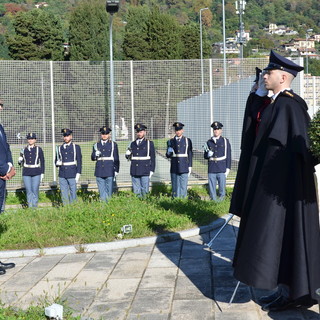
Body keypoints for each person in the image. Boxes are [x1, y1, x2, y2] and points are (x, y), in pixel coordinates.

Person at [230, 50, 320, 312]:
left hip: (283, 188)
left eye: (268, 73)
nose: (263, 77)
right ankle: (286, 291)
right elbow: (253, 134)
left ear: (282, 76)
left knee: (286, 236)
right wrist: (257, 95)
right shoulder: (275, 104)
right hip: (273, 185)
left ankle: (293, 293)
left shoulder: (290, 105)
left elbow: (299, 152)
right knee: (278, 238)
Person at [0, 100, 16, 274]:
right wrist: (4, 170)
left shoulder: (0, 127)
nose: (1, 108)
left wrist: (10, 166)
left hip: (2, 176)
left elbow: (6, 149)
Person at [125, 124, 155, 197]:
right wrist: (127, 154)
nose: (139, 133)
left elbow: (153, 158)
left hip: (145, 170)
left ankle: (145, 205)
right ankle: (138, 205)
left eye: (141, 132)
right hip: (135, 170)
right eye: (138, 132)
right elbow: (129, 157)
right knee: (136, 191)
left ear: (145, 132)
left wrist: (152, 170)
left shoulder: (149, 143)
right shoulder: (132, 143)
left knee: (145, 190)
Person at [204, 121, 231, 201]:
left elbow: (228, 156)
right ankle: (214, 202)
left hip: (221, 168)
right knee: (212, 188)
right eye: (214, 129)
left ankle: (221, 203)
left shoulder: (225, 141)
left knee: (222, 188)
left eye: (218, 129)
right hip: (212, 168)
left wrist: (228, 168)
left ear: (221, 130)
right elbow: (205, 156)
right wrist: (207, 155)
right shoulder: (209, 142)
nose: (216, 131)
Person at [91, 127, 119, 202]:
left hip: (109, 170)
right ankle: (103, 206)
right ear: (101, 134)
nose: (104, 135)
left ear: (109, 135)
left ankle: (108, 206)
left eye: (106, 134)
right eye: (103, 134)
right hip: (99, 170)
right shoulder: (96, 145)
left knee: (109, 191)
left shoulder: (113, 144)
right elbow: (92, 158)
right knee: (101, 191)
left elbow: (116, 158)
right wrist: (95, 155)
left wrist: (116, 170)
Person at [166, 122, 193, 198]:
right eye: (176, 130)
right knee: (175, 187)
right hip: (174, 167)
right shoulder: (170, 141)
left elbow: (190, 154)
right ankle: (176, 201)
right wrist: (169, 152)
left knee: (183, 186)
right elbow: (167, 155)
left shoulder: (187, 141)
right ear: (175, 131)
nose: (178, 132)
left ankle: (183, 202)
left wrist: (190, 166)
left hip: (184, 166)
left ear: (182, 130)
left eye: (179, 130)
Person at [55, 128, 82, 205]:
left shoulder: (76, 147)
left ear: (71, 136)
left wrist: (78, 173)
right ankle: (66, 207)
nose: (66, 137)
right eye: (64, 136)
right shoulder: (60, 148)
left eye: (67, 136)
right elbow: (56, 160)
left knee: (73, 191)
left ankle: (73, 206)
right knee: (63, 192)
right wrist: (57, 163)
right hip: (62, 173)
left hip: (72, 172)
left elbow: (79, 161)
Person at [18, 133, 45, 208]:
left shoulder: (38, 149)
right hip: (26, 172)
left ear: (35, 140)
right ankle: (30, 206)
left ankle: (34, 206)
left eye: (32, 139)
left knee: (35, 189)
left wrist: (42, 173)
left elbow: (42, 161)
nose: (30, 140)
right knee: (29, 190)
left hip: (36, 171)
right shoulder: (24, 149)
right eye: (29, 139)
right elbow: (20, 162)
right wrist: (20, 160)